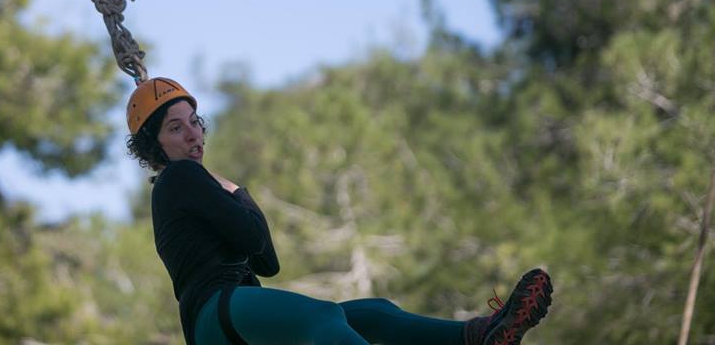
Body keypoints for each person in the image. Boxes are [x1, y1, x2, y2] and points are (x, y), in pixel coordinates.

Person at [126, 77, 553, 345]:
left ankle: (477, 335)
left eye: (195, 121)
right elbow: (254, 239)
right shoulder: (179, 179)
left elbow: (267, 263)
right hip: (213, 313)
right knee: (324, 317)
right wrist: (237, 192)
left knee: (374, 313)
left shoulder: (188, 187)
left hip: (227, 319)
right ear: (154, 145)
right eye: (175, 127)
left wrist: (233, 191)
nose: (192, 133)